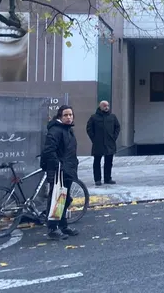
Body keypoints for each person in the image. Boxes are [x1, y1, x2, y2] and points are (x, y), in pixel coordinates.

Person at [41, 105, 80, 240]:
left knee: (64, 199)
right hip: (58, 171)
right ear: (60, 117)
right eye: (66, 115)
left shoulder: (68, 130)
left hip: (67, 170)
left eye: (70, 115)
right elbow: (49, 150)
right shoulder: (56, 131)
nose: (69, 117)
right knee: (56, 199)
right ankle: (52, 228)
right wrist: (58, 165)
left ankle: (63, 226)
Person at [86, 100, 121, 186]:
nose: (106, 107)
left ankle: (107, 178)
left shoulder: (112, 117)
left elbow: (117, 127)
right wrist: (94, 139)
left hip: (110, 143)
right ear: (100, 107)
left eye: (108, 106)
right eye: (104, 106)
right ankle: (97, 179)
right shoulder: (94, 117)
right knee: (97, 162)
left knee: (109, 162)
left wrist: (114, 137)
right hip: (98, 144)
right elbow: (89, 129)